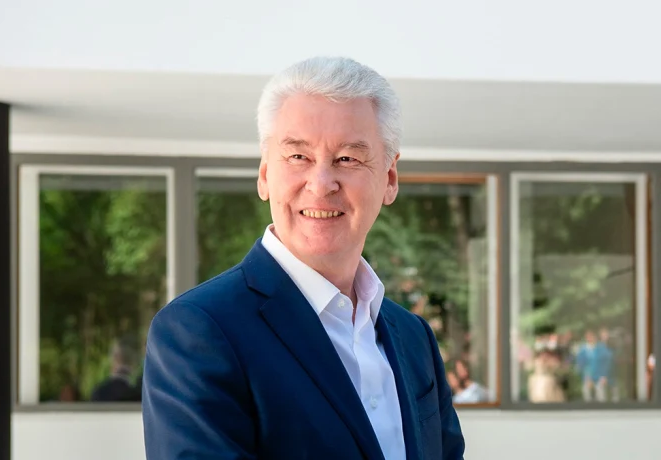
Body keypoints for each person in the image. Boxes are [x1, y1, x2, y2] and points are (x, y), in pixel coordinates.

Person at [142, 56, 465, 460]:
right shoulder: (199, 330)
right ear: (265, 175)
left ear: (389, 179)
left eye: (347, 158)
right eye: (298, 157)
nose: (321, 184)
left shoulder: (414, 337)